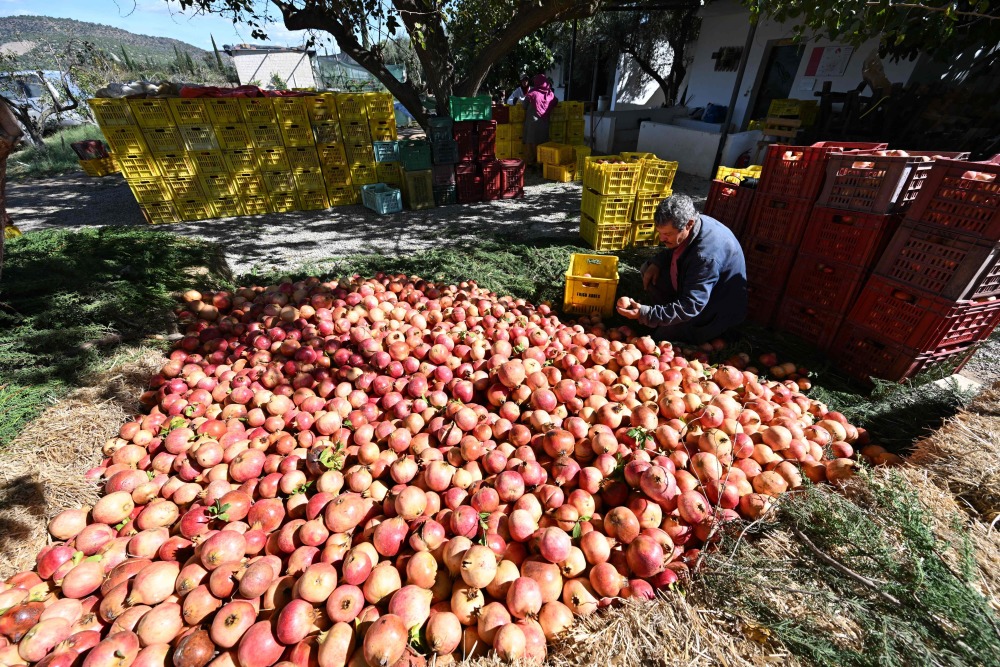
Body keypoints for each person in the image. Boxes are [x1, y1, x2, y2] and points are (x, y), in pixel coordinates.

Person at [617, 193, 747, 343]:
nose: (661, 239)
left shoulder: (704, 257)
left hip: (714, 311)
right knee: (649, 269)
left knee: (661, 339)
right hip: (696, 289)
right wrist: (658, 262)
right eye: (659, 232)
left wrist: (646, 314)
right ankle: (665, 312)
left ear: (688, 224)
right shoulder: (696, 225)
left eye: (667, 234)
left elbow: (692, 305)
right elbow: (678, 248)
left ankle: (687, 327)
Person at [522, 74, 557, 167]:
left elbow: (524, 106)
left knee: (531, 143)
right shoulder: (550, 94)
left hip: (532, 123)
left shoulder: (532, 93)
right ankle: (541, 164)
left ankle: (530, 163)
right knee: (542, 144)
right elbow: (556, 102)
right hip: (544, 124)